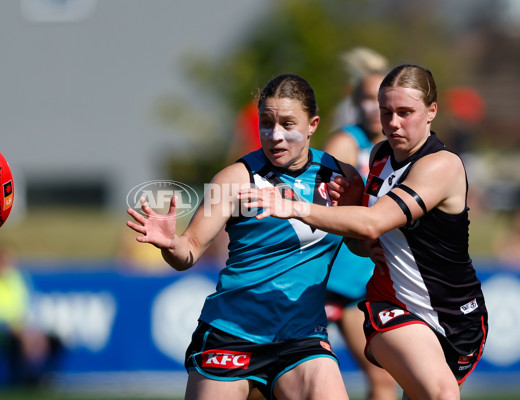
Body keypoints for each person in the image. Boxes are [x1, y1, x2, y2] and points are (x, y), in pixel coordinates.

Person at [238, 64, 488, 400]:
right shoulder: (380, 156)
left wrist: (295, 207)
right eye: (387, 112)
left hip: (457, 313)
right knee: (440, 394)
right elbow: (362, 242)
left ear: (431, 112)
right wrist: (354, 217)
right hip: (392, 304)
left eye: (405, 112)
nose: (393, 123)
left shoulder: (441, 165)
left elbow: (373, 222)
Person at [127, 73, 363, 400]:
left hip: (301, 337)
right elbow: (190, 250)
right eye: (266, 123)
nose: (275, 135)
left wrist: (350, 212)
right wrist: (172, 244)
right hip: (232, 333)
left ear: (313, 124)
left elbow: (361, 245)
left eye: (287, 124)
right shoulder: (236, 178)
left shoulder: (341, 178)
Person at [323, 68, 399, 400]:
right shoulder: (346, 141)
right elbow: (323, 203)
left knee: (384, 380)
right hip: (337, 279)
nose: (372, 107)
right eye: (366, 99)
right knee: (382, 381)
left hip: (373, 276)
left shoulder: (399, 149)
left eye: (378, 99)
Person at [0, 242, 62, 387]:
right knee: (17, 340)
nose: (6, 265)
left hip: (21, 328)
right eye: (1, 260)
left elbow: (28, 306)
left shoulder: (16, 278)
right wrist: (11, 326)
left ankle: (43, 376)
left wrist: (28, 329)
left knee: (54, 341)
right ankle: (25, 379)